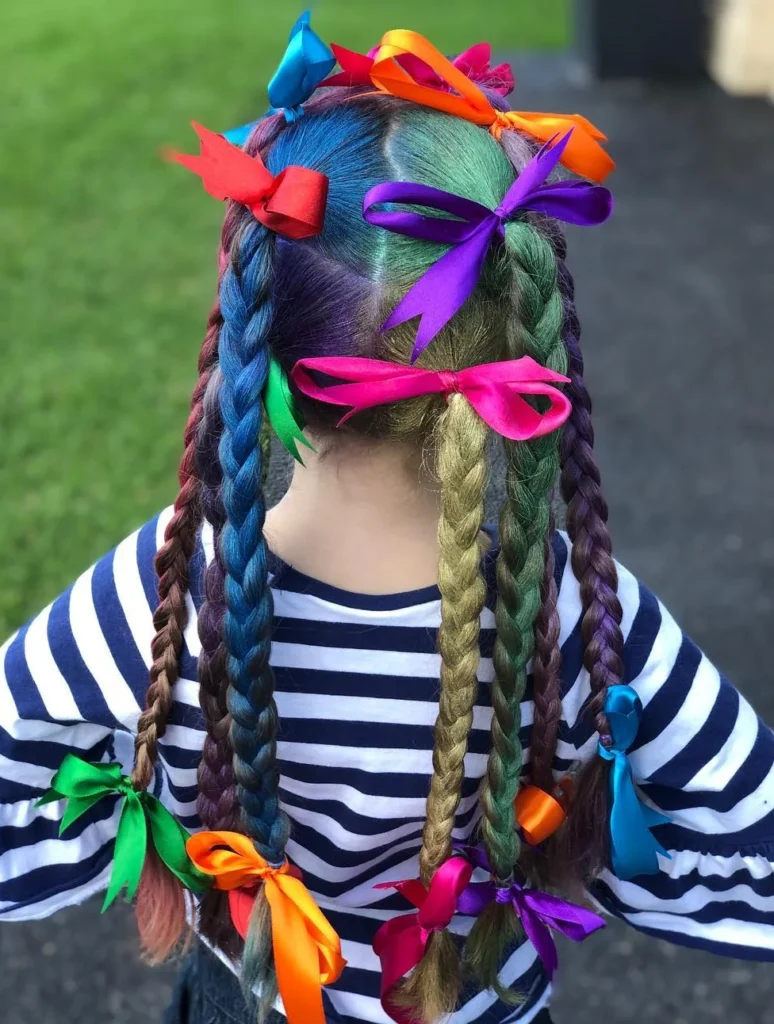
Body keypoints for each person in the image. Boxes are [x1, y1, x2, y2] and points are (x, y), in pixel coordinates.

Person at [1, 18, 772, 1024]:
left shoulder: (164, 590)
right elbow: (745, 833)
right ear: (513, 335)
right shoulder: (580, 613)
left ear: (259, 338)